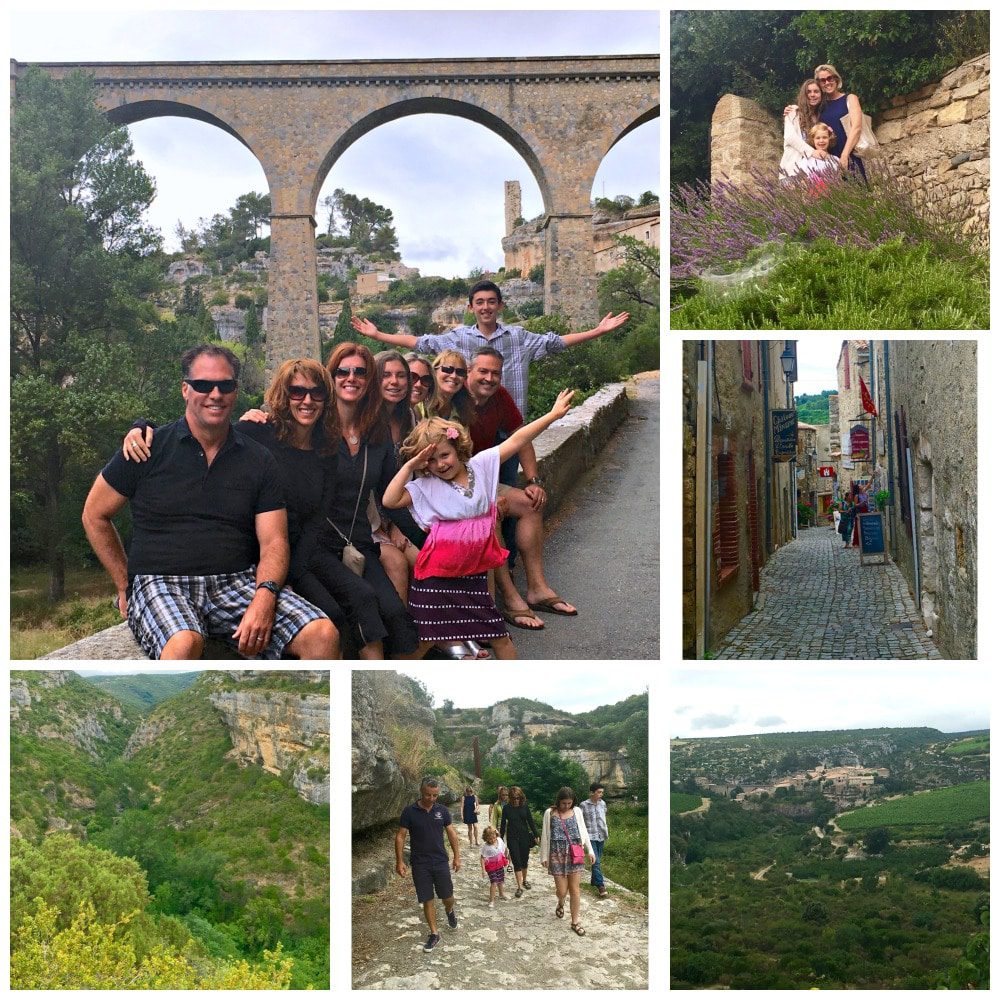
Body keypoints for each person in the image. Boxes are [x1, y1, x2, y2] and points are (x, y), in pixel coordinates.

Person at [81, 345, 338, 660]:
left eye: (225, 385)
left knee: (322, 635)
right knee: (184, 644)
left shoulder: (258, 458)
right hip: (162, 582)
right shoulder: (148, 448)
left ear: (235, 391)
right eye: (203, 385)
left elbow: (274, 541)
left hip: (235, 581)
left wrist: (265, 597)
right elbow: (95, 515)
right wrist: (125, 584)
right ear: (185, 389)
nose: (215, 394)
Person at [383, 390, 577, 659]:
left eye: (444, 455)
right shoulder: (425, 486)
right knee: (423, 643)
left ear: (457, 448)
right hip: (437, 581)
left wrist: (553, 415)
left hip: (475, 577)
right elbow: (390, 500)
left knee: (500, 638)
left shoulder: (481, 466)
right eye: (430, 460)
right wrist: (411, 465)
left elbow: (519, 438)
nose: (439, 464)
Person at [351, 280, 629, 418]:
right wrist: (379, 335)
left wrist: (597, 331)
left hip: (510, 423)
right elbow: (421, 343)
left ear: (500, 306)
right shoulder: (458, 338)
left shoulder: (518, 337)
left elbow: (555, 343)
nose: (486, 307)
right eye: (480, 302)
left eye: (491, 301)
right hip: (471, 426)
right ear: (471, 307)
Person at [317, 342, 420, 658]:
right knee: (364, 603)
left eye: (360, 372)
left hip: (359, 543)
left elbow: (391, 500)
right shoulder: (314, 427)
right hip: (317, 546)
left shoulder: (376, 435)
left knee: (396, 613)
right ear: (331, 377)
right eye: (343, 371)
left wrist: (430, 543)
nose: (351, 378)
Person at [466, 346, 578, 623]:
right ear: (469, 372)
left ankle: (537, 588)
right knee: (490, 514)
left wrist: (533, 480)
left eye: (495, 373)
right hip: (456, 487)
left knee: (531, 503)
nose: (489, 378)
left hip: (482, 479)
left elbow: (520, 437)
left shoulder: (499, 398)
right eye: (483, 371)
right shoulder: (453, 400)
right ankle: (509, 596)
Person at [395, 776, 461, 952]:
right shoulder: (409, 812)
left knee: (447, 897)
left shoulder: (442, 811)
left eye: (435, 795)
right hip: (419, 863)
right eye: (428, 795)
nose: (431, 799)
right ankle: (434, 933)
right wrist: (399, 861)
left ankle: (449, 910)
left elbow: (451, 834)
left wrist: (457, 856)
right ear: (421, 792)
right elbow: (401, 836)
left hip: (440, 861)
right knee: (427, 899)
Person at [540, 786, 596, 936]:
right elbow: (545, 834)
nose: (566, 806)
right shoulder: (549, 813)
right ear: (558, 801)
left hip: (574, 853)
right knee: (562, 891)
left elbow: (583, 831)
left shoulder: (577, 811)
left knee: (575, 890)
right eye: (564, 803)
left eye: (569, 803)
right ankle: (560, 902)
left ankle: (575, 922)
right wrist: (544, 856)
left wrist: (590, 850)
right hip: (556, 854)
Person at [779, 79, 828, 179]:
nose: (812, 95)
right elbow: (790, 137)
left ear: (821, 94)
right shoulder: (793, 111)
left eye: (816, 91)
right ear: (804, 95)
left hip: (815, 173)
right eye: (808, 92)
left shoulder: (821, 116)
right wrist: (812, 152)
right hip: (793, 171)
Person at [499, 786, 539, 897]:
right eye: (514, 798)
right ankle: (519, 887)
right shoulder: (506, 808)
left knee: (524, 860)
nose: (516, 800)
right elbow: (503, 825)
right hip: (512, 838)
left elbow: (531, 822)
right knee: (516, 861)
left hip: (524, 836)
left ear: (521, 797)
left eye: (518, 798)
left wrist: (536, 835)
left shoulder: (525, 807)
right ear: (510, 798)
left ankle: (524, 880)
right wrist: (500, 839)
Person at [580, 781, 610, 900]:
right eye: (599, 792)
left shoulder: (603, 804)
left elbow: (604, 818)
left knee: (596, 861)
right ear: (592, 792)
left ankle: (594, 881)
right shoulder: (583, 805)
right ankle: (601, 886)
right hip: (590, 836)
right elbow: (580, 822)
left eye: (602, 792)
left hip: (601, 835)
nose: (601, 794)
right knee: (596, 861)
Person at [479, 826, 509, 907]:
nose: (492, 840)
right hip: (491, 867)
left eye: (494, 838)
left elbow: (504, 848)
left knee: (500, 880)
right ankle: (491, 900)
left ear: (496, 835)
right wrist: (483, 870)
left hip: (499, 865)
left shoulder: (499, 840)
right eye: (490, 839)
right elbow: (482, 857)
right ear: (486, 838)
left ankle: (501, 894)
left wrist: (507, 857)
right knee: (494, 882)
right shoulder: (486, 847)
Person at [404, 352, 437, 419]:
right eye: (412, 377)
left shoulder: (416, 415)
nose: (418, 384)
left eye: (426, 380)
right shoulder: (381, 413)